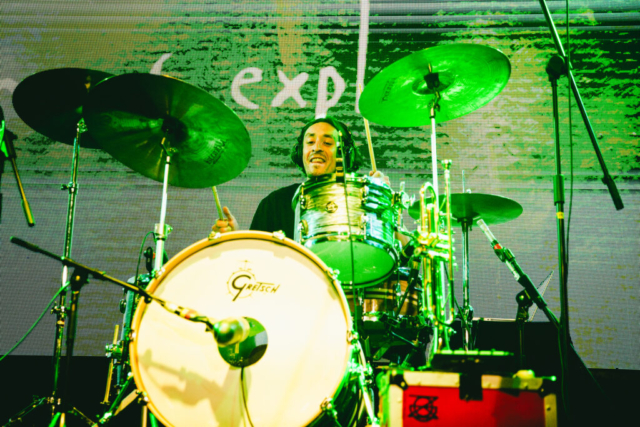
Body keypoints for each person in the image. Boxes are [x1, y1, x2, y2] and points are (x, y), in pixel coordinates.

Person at [212, 116, 389, 237]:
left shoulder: (366, 199)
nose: (316, 148)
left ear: (345, 154)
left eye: (327, 143)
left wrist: (385, 202)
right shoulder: (275, 203)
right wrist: (234, 239)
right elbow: (255, 260)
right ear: (300, 152)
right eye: (310, 142)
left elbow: (399, 256)